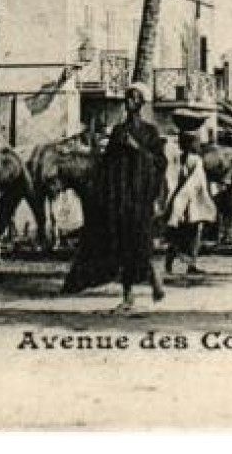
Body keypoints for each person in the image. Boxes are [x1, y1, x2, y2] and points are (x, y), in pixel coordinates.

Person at [62, 83, 167, 312]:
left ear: (141, 103)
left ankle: (153, 280)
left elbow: (159, 163)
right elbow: (107, 165)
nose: (128, 102)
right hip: (119, 198)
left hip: (139, 198)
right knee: (123, 245)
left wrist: (137, 148)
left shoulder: (150, 132)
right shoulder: (119, 131)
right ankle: (130, 296)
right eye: (127, 98)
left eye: (133, 98)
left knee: (139, 243)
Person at [163, 131, 218, 275]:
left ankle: (170, 263)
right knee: (194, 234)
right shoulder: (195, 160)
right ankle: (190, 264)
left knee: (178, 233)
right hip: (191, 200)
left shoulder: (179, 159)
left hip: (180, 200)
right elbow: (196, 183)